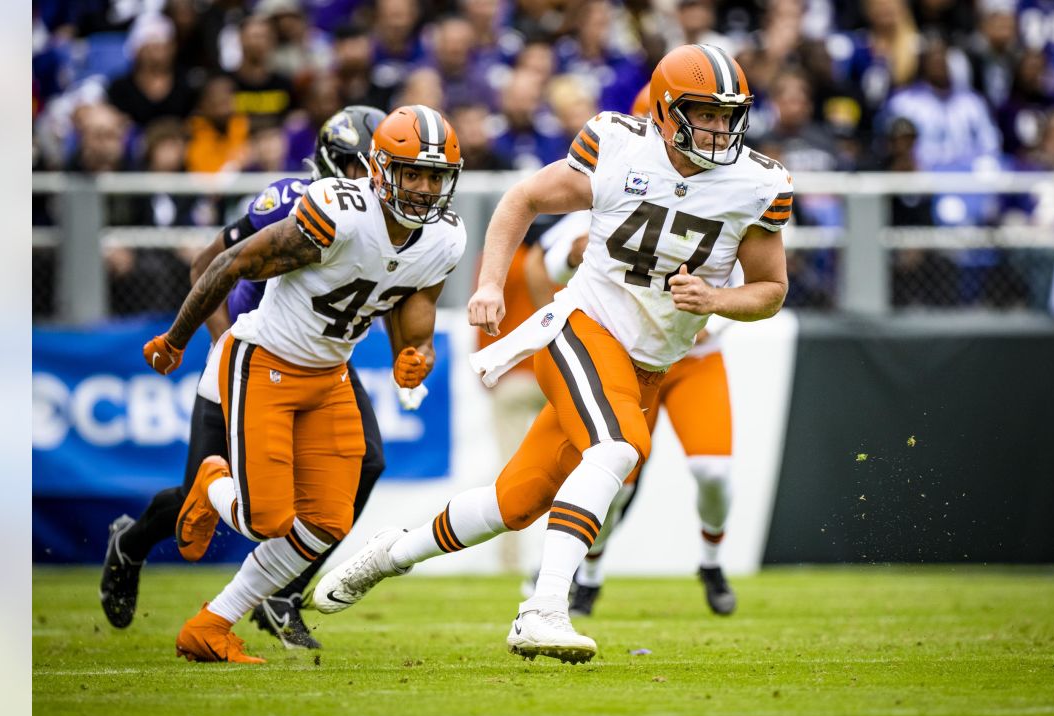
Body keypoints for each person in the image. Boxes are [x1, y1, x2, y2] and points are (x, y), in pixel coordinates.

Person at [314, 44, 791, 665]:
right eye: (706, 113)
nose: (720, 129)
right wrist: (488, 283)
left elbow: (772, 291)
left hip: (649, 361)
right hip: (583, 327)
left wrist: (718, 297)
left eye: (730, 116)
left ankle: (390, 552)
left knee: (514, 503)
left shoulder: (758, 183)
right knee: (618, 449)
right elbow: (523, 199)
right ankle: (543, 611)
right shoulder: (619, 146)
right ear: (669, 110)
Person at [101, 105, 432, 660]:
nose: (369, 178)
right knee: (207, 497)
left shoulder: (409, 223)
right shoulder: (294, 199)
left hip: (324, 359)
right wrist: (216, 338)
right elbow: (213, 262)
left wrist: (410, 351)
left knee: (364, 465)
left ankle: (284, 590)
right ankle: (130, 544)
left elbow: (405, 295)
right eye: (358, 164)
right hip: (255, 350)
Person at [518, 85, 746, 618]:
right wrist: (566, 290)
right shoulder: (616, 180)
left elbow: (758, 281)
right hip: (626, 360)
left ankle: (711, 561)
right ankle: (589, 573)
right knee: (613, 474)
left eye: (716, 120)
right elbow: (543, 264)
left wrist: (714, 313)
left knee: (713, 470)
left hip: (689, 360)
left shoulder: (737, 190)